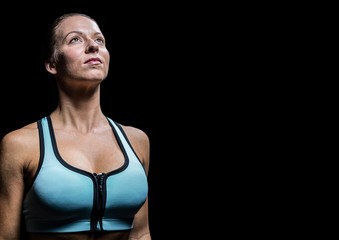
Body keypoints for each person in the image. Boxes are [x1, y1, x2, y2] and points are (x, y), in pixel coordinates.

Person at [0, 12, 152, 240]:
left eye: (99, 40)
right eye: (75, 39)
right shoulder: (21, 143)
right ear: (52, 64)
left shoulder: (137, 140)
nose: (93, 46)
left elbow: (141, 233)